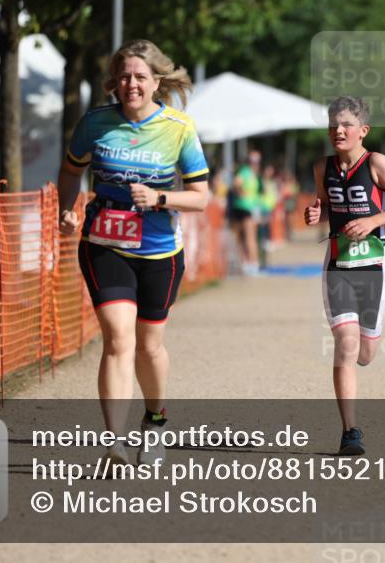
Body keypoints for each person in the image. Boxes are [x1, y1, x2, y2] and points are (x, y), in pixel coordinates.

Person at [58, 39, 209, 466]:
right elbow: (70, 171)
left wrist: (160, 198)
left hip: (159, 252)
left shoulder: (179, 128)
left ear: (157, 81)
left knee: (148, 347)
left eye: (140, 77)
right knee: (117, 337)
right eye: (124, 76)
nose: (131, 84)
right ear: (114, 81)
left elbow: (200, 197)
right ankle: (114, 441)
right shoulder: (95, 123)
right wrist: (66, 209)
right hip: (104, 245)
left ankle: (155, 419)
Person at [304, 96, 385, 455]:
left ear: (363, 130)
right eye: (333, 125)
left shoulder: (377, 163)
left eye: (346, 124)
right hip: (337, 265)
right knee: (346, 345)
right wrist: (315, 214)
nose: (338, 130)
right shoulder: (322, 167)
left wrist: (373, 221)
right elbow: (325, 206)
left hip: (375, 266)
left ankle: (370, 339)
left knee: (365, 353)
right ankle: (350, 431)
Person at [232, 150, 262, 276]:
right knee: (247, 237)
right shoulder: (246, 172)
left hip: (246, 207)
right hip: (246, 208)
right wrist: (241, 193)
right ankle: (251, 263)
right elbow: (236, 184)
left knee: (244, 237)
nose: (256, 164)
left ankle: (248, 263)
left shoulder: (252, 174)